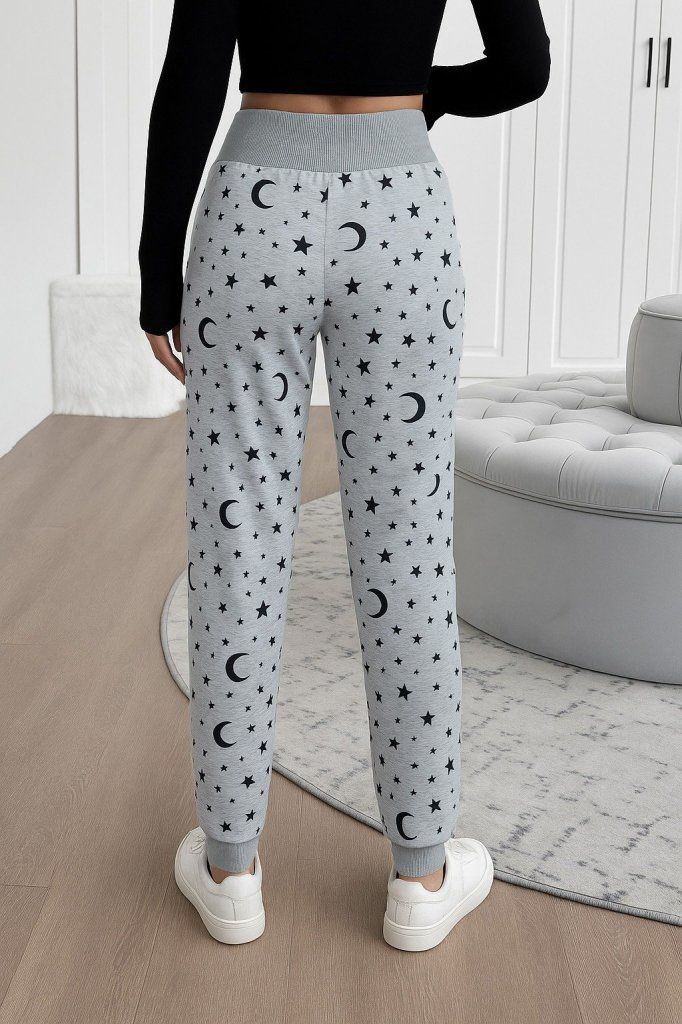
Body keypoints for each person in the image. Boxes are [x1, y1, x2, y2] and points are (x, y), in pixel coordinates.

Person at [139, 0, 550, 952]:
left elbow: (191, 79)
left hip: (252, 214)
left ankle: (230, 870)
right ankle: (422, 876)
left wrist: (160, 277)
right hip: (402, 214)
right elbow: (523, 66)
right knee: (409, 546)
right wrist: (420, 94)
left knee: (236, 536)